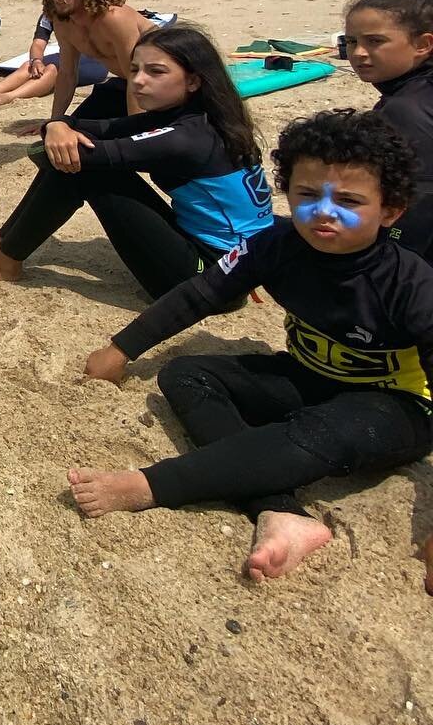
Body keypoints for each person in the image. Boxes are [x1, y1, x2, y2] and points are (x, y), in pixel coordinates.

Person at [70, 110, 433, 585]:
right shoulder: (275, 243)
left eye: (348, 200)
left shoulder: (412, 286)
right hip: (310, 377)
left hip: (398, 406)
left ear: (391, 210)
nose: (324, 212)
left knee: (322, 430)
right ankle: (279, 511)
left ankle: (153, 484)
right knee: (185, 375)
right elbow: (200, 294)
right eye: (307, 195)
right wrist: (120, 349)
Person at [0, 24, 273, 292]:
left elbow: (91, 151)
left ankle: (7, 257)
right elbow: (105, 126)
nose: (138, 80)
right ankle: (3, 245)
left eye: (155, 72)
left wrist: (57, 131)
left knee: (81, 165)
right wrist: (60, 123)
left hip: (215, 277)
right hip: (232, 257)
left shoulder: (185, 137)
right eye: (134, 69)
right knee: (79, 147)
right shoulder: (194, 115)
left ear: (193, 80)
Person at [344, 0, 433, 260]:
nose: (358, 53)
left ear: (423, 45)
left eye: (375, 41)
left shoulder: (404, 111)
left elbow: (419, 206)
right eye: (350, 42)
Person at [25, 0, 154, 130]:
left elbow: (137, 76)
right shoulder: (63, 22)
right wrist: (54, 123)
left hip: (164, 87)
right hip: (125, 87)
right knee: (65, 131)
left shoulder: (113, 18)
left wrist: (137, 134)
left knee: (120, 139)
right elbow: (67, 74)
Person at [0, 11, 109, 108]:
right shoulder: (50, 13)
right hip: (66, 54)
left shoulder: (88, 11)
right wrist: (36, 60)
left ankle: (9, 96)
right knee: (29, 64)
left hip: (95, 62)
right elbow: (39, 43)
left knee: (52, 69)